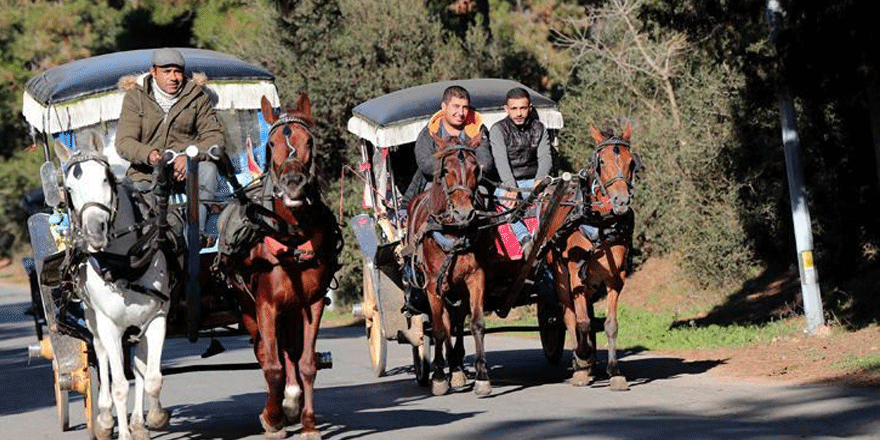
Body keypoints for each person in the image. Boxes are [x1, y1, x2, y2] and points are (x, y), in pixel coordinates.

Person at [116, 48, 225, 249]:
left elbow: (215, 137)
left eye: (178, 71)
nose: (173, 78)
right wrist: (149, 155)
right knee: (130, 202)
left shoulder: (196, 96)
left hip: (186, 171)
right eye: (167, 72)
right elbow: (124, 142)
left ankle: (196, 234)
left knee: (208, 170)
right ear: (153, 72)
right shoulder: (135, 98)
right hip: (147, 174)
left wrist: (189, 157)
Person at [401, 85, 495, 214]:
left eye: (465, 107)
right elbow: (425, 164)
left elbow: (486, 162)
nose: (461, 113)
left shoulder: (478, 130)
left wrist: (466, 175)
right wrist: (453, 166)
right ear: (444, 107)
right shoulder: (429, 133)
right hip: (436, 182)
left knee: (482, 201)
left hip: (471, 184)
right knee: (430, 206)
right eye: (456, 107)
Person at [489, 87, 552, 247]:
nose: (518, 113)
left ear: (529, 108)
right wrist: (510, 187)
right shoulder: (498, 130)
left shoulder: (539, 128)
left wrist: (540, 180)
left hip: (534, 181)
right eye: (514, 108)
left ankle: (544, 236)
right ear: (506, 109)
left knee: (556, 196)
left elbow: (545, 157)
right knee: (504, 198)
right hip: (509, 183)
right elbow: (501, 161)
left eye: (523, 108)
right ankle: (525, 239)